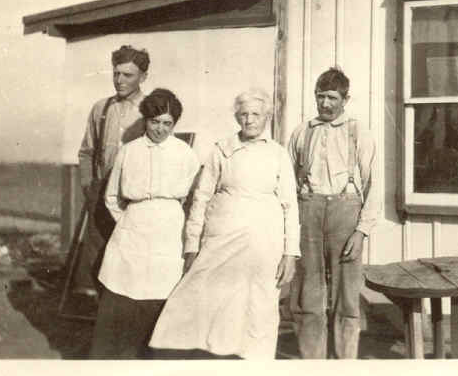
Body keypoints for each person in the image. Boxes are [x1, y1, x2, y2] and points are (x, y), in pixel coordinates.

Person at [149, 89, 300, 360]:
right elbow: (201, 198)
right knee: (208, 297)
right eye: (243, 114)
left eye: (256, 114)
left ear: (267, 117)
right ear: (236, 117)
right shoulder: (222, 149)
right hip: (223, 237)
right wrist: (192, 244)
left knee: (259, 304)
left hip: (264, 242)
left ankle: (253, 361)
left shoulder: (278, 154)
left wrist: (290, 254)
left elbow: (290, 205)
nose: (249, 120)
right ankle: (207, 357)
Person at [89, 88, 200, 359]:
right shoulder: (129, 151)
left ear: (174, 124)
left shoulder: (185, 154)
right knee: (123, 294)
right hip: (132, 229)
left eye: (167, 123)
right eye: (155, 122)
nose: (160, 129)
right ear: (146, 120)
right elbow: (112, 197)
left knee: (160, 294)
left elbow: (192, 197)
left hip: (168, 230)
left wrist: (168, 220)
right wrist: (131, 222)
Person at [288, 67, 378, 359]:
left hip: (345, 214)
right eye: (320, 96)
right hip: (308, 213)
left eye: (332, 98)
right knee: (307, 294)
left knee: (347, 295)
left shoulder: (358, 131)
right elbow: (287, 185)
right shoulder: (303, 132)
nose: (325, 104)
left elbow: (374, 184)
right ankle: (312, 361)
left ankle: (344, 362)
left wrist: (361, 231)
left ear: (345, 99)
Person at [74, 45, 150, 296]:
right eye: (116, 73)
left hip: (134, 196)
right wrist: (89, 187)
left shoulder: (151, 110)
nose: (119, 80)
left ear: (143, 77)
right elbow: (86, 152)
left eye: (128, 75)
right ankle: (93, 308)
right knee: (96, 257)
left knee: (130, 256)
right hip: (101, 192)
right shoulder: (101, 108)